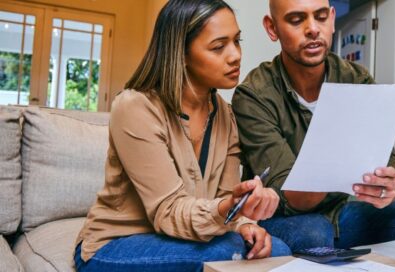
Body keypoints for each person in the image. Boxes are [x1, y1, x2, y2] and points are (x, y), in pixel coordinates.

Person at [74, 1, 290, 271]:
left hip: (182, 236)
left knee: (276, 249)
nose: (235, 55)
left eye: (237, 41)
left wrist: (244, 221)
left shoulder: (226, 115)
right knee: (232, 252)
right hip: (116, 244)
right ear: (181, 53)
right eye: (218, 46)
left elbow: (224, 199)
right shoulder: (135, 107)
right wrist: (227, 208)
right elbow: (168, 212)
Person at [231, 0, 395, 251]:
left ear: (332, 19)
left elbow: (388, 160)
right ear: (272, 28)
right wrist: (334, 166)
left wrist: (390, 184)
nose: (313, 29)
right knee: (312, 233)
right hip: (283, 218)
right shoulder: (253, 94)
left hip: (338, 212)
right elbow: (287, 193)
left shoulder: (357, 79)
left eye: (321, 17)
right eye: (296, 20)